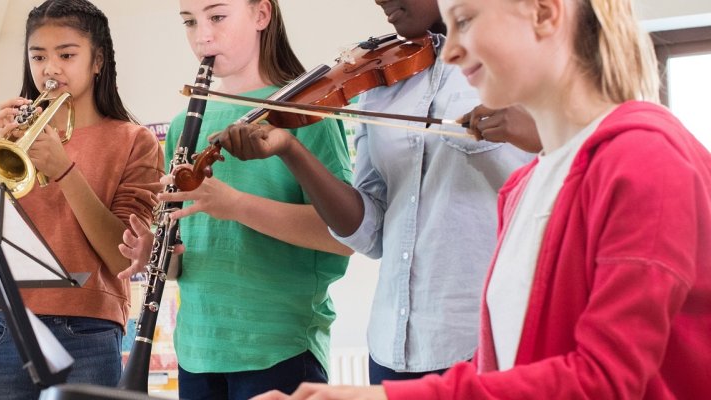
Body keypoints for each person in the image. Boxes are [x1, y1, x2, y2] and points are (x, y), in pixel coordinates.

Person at [257, 0, 711, 398]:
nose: (448, 50)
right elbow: (514, 366)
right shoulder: (525, 187)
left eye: (466, 21)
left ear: (544, 11)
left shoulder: (645, 161)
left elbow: (604, 382)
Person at [211, 0, 536, 384]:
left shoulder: (522, 58)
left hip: (487, 339)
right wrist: (290, 150)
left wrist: (534, 131)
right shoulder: (381, 83)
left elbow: (580, 159)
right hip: (390, 348)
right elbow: (370, 233)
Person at [122, 0, 354, 398]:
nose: (202, 36)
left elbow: (344, 235)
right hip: (198, 350)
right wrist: (156, 253)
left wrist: (237, 206)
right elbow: (185, 261)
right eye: (190, 22)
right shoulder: (184, 126)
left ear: (262, 15)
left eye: (217, 17)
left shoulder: (307, 112)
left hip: (279, 348)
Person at [0, 0, 165, 398]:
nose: (50, 69)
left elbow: (121, 258)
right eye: (38, 56)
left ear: (97, 61)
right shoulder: (11, 140)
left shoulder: (135, 142)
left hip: (87, 328)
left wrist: (63, 169)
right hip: (6, 323)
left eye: (66, 54)